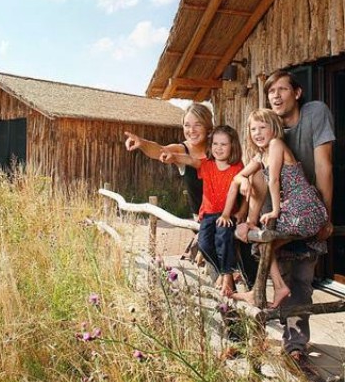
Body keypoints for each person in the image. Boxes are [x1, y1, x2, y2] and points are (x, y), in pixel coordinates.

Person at [236, 71, 335, 362]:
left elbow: (324, 167)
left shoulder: (315, 114)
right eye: (271, 91)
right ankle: (278, 337)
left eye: (282, 89)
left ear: (297, 93)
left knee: (303, 277)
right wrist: (243, 180)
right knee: (274, 264)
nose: (277, 96)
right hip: (276, 212)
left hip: (301, 209)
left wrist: (325, 217)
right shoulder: (267, 127)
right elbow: (255, 175)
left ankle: (296, 345)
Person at [227, 109, 328, 308]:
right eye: (253, 129)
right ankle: (278, 287)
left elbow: (273, 179)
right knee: (262, 243)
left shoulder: (276, 144)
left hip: (305, 207)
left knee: (261, 237)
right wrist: (244, 181)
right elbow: (237, 176)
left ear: (273, 128)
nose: (257, 133)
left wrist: (274, 211)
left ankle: (268, 288)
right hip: (295, 209)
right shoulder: (260, 155)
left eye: (262, 127)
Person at [160, 125, 245, 296]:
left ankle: (227, 274)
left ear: (233, 146)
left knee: (223, 239)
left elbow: (246, 189)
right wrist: (174, 156)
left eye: (224, 144)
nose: (218, 148)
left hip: (227, 215)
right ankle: (221, 270)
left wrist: (241, 211)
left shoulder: (237, 167)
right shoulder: (207, 165)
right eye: (215, 144)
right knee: (205, 244)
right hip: (207, 214)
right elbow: (190, 160)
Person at [125, 103, 213, 219]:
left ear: (207, 127)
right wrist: (142, 143)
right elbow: (159, 150)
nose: (191, 130)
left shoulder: (218, 147)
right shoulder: (181, 150)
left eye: (198, 125)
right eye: (187, 125)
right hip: (202, 223)